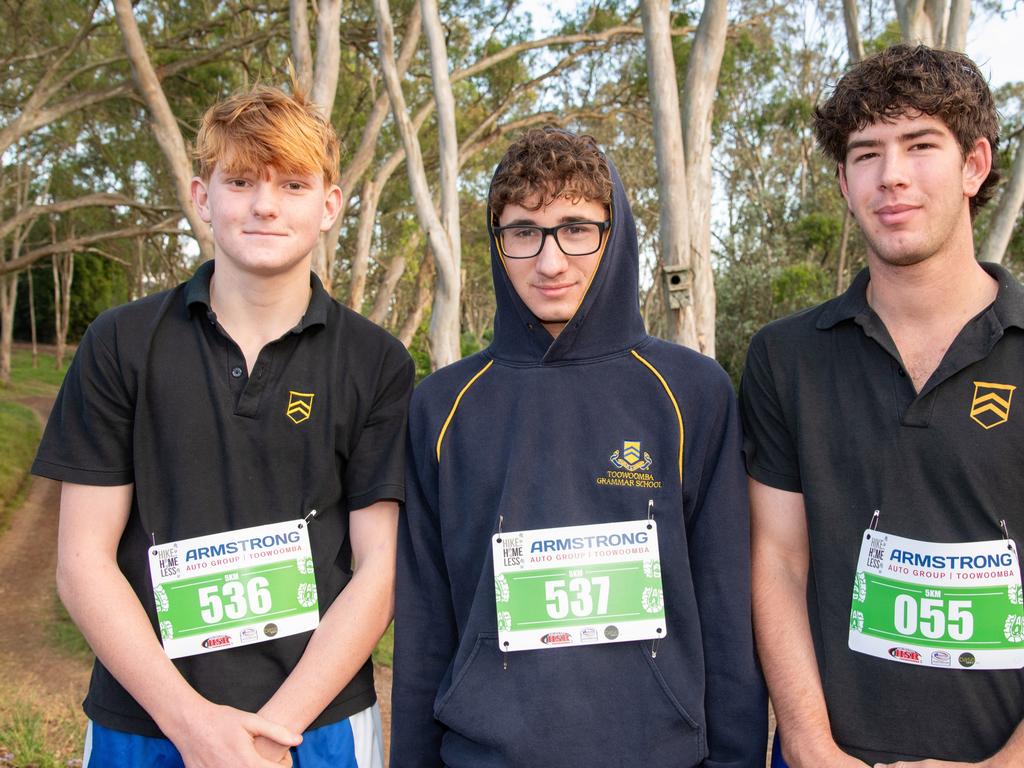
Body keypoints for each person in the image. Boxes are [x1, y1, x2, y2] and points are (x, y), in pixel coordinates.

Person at [32, 85, 414, 767]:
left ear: (329, 205)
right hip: (144, 721)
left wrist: (269, 735)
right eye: (240, 181)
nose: (265, 204)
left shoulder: (376, 362)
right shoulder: (121, 343)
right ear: (202, 196)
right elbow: (80, 561)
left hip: (315, 727)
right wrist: (194, 725)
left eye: (293, 184)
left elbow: (380, 568)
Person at [390, 127, 766, 767]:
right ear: (497, 243)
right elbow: (424, 627)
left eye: (575, 228)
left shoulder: (692, 392)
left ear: (613, 235)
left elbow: (728, 615)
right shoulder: (442, 407)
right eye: (523, 232)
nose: (550, 260)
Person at [741, 44, 1024, 767]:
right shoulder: (785, 358)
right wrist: (808, 746)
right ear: (842, 180)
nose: (891, 176)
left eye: (921, 145)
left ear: (975, 165)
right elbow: (778, 558)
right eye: (867, 153)